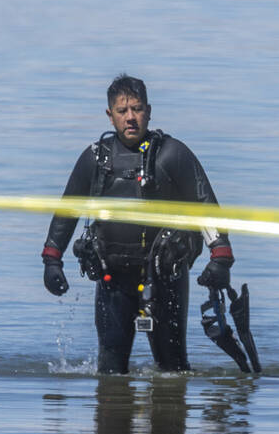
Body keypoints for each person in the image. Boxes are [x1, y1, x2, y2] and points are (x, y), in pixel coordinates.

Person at [40, 74, 234, 374]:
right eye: (122, 111)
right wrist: (52, 260)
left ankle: (169, 417)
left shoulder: (173, 154)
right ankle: (112, 415)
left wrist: (220, 256)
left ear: (149, 111)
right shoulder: (95, 159)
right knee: (110, 372)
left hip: (165, 278)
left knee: (173, 371)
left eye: (137, 109)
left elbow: (205, 206)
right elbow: (68, 210)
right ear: (110, 115)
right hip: (112, 280)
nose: (131, 117)